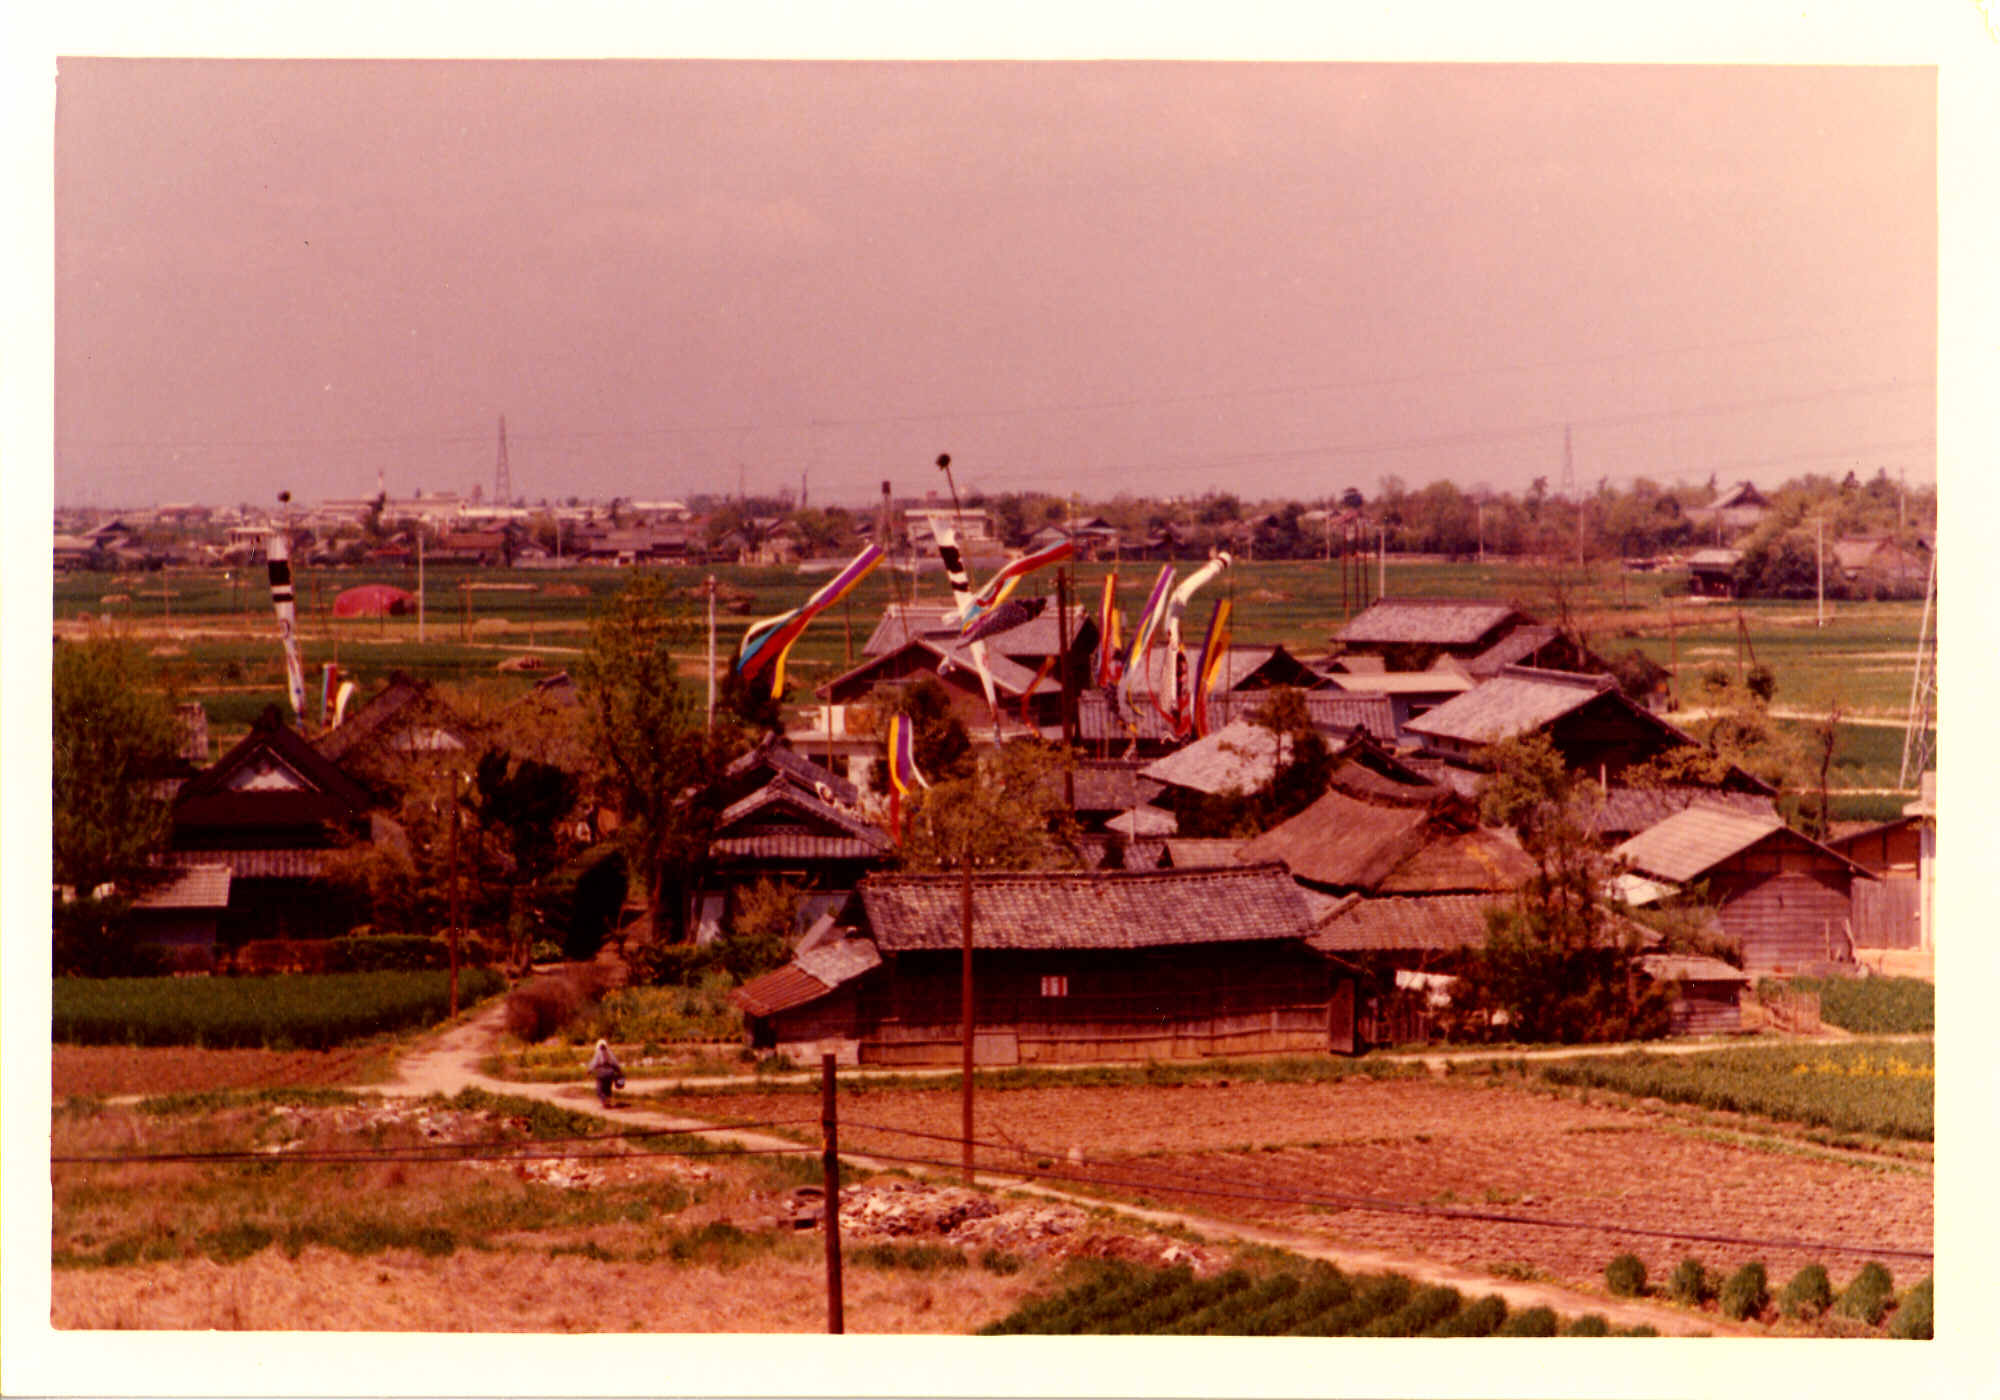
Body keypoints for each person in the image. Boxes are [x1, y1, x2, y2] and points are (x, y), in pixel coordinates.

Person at [587, 1038, 624, 1108]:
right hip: (610, 1072)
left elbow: (594, 1063)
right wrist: (619, 1071)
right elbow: (615, 1063)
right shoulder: (610, 1053)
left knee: (599, 1090)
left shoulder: (598, 1053)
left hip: (601, 1072)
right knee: (608, 1089)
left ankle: (604, 1101)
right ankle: (608, 1102)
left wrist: (589, 1070)